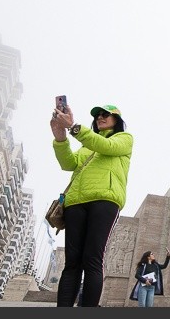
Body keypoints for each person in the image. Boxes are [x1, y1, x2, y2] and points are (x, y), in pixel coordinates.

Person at [50, 103, 133, 307]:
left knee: (92, 259)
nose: (100, 118)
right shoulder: (86, 144)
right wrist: (60, 137)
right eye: (98, 116)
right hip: (76, 201)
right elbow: (68, 163)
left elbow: (107, 147)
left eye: (106, 115)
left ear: (117, 120)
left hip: (105, 201)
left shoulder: (124, 139)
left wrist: (74, 127)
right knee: (72, 262)